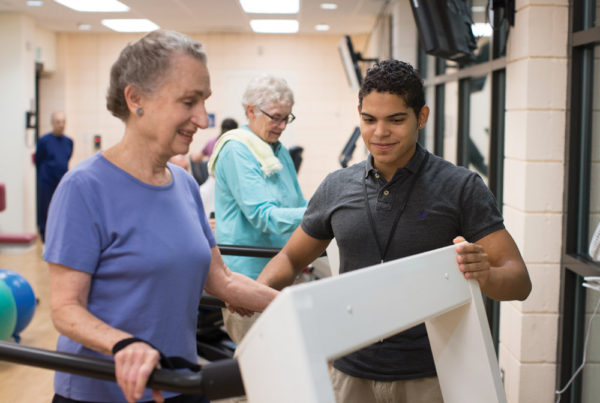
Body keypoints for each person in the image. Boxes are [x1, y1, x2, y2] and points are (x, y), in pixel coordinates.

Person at [256, 59, 532, 403]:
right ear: (359, 114)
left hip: (431, 377)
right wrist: (255, 298)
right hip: (348, 372)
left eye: (396, 120)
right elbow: (291, 257)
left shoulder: (461, 186)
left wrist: (485, 274)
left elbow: (519, 281)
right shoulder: (336, 186)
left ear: (422, 117)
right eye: (369, 120)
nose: (380, 133)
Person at [43, 30, 277, 403]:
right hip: (103, 391)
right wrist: (123, 344)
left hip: (178, 381)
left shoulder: (183, 185)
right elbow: (65, 308)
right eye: (189, 102)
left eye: (204, 101)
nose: (202, 119)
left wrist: (295, 306)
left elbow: (223, 281)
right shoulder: (84, 188)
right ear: (136, 98)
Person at [207, 74, 307, 344]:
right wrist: (320, 214)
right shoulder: (237, 150)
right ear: (251, 110)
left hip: (283, 270)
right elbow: (264, 217)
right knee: (264, 370)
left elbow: (298, 204)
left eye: (287, 118)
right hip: (250, 279)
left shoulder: (277, 150)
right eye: (275, 117)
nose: (282, 125)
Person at [35, 111, 73, 242]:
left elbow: (66, 158)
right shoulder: (44, 141)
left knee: (61, 211)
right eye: (58, 122)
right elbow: (38, 161)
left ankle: (59, 240)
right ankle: (45, 240)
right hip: (46, 182)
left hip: (61, 182)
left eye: (63, 122)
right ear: (52, 123)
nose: (61, 125)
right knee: (45, 212)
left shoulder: (69, 142)